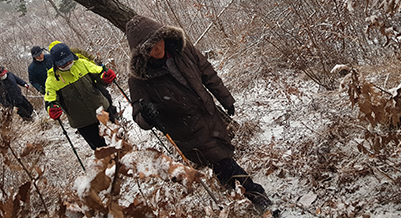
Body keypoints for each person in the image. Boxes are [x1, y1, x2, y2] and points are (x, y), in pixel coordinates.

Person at [125, 15, 275, 214]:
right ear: (142, 53)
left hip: (209, 115)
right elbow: (139, 116)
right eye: (150, 47)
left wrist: (225, 98)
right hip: (187, 131)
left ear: (164, 36)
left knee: (223, 161)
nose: (158, 48)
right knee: (224, 161)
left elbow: (207, 72)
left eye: (158, 41)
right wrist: (148, 116)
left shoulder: (183, 49)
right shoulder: (139, 79)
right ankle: (259, 199)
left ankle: (233, 191)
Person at [44, 42, 118, 150]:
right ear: (55, 64)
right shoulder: (52, 80)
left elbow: (99, 74)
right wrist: (52, 108)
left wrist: (105, 76)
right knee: (100, 149)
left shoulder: (82, 64)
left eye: (69, 61)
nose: (67, 64)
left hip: (102, 109)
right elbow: (50, 100)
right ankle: (110, 165)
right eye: (62, 63)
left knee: (117, 138)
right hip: (82, 121)